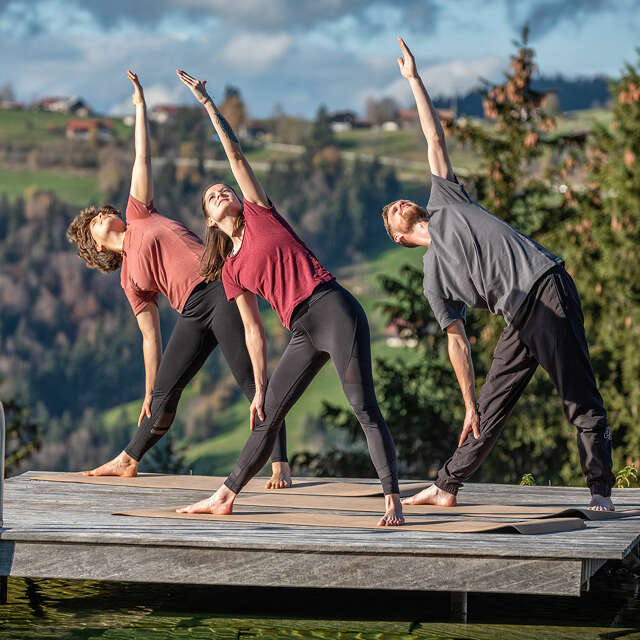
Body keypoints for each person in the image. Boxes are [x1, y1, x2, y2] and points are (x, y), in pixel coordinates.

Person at [381, 38, 615, 511]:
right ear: (399, 239)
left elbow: (434, 138)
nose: (399, 205)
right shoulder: (433, 277)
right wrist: (467, 400)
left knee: (577, 392)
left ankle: (600, 490)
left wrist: (414, 81)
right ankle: (447, 484)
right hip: (518, 316)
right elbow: (457, 341)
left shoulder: (446, 201)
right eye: (390, 213)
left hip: (545, 286)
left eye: (400, 201)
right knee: (487, 408)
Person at [174, 69, 404, 526]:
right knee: (267, 416)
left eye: (224, 189)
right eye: (212, 196)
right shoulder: (231, 270)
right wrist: (259, 386)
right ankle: (224, 495)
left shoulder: (260, 213)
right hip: (302, 328)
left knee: (362, 406)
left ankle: (393, 498)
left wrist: (207, 104)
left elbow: (236, 156)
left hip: (334, 308)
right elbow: (254, 332)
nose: (222, 191)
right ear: (209, 219)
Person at [66, 71, 291, 489]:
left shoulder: (138, 214)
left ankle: (279, 463)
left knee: (249, 378)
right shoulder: (129, 282)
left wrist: (139, 106)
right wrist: (150, 388)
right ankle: (129, 458)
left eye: (99, 212)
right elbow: (150, 338)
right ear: (97, 247)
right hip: (190, 310)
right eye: (93, 222)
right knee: (165, 394)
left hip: (220, 287)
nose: (100, 215)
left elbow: (143, 160)